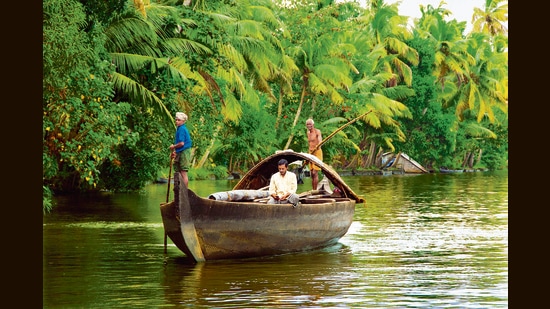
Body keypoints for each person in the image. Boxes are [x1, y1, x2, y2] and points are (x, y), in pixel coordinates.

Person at [170, 112, 192, 188]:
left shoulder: (182, 129)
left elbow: (182, 143)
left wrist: (173, 147)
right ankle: (179, 191)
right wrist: (175, 151)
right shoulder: (179, 129)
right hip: (180, 151)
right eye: (176, 120)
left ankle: (185, 192)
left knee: (183, 172)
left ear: (183, 121)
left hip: (185, 151)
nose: (177, 121)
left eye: (179, 120)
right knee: (178, 172)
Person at [306, 118, 323, 190]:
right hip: (311, 153)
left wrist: (318, 146)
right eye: (307, 124)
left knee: (314, 173)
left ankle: (315, 190)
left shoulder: (317, 131)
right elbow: (309, 143)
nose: (309, 126)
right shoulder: (308, 133)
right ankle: (313, 190)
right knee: (311, 174)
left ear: (313, 124)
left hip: (317, 152)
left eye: (310, 124)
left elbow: (320, 140)